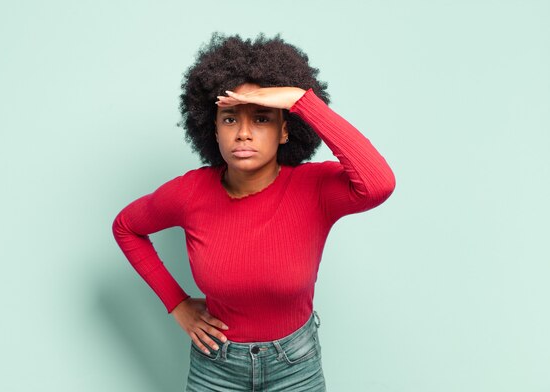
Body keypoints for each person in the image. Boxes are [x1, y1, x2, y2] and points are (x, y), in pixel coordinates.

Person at [112, 32, 396, 391]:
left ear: (284, 131)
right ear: (212, 129)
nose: (243, 133)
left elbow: (379, 183)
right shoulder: (189, 193)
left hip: (295, 364)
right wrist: (177, 304)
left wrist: (301, 101)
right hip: (215, 366)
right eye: (230, 119)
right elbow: (126, 227)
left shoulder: (315, 188)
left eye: (261, 119)